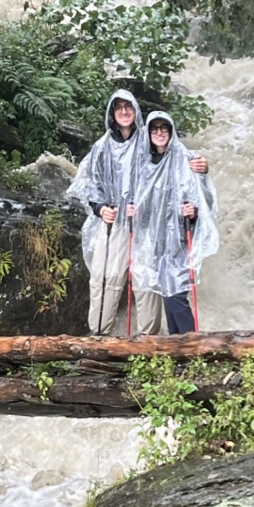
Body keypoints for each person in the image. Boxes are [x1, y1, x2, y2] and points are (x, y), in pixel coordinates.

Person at [67, 90, 163, 334]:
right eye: (118, 107)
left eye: (128, 106)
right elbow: (87, 181)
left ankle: (148, 340)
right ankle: (99, 334)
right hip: (112, 223)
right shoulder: (102, 146)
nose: (123, 111)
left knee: (146, 280)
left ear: (135, 110)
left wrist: (144, 204)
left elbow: (166, 173)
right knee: (104, 277)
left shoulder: (148, 141)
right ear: (112, 112)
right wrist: (100, 209)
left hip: (145, 223)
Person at [129, 110, 219, 333]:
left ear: (171, 131)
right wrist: (134, 211)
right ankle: (177, 346)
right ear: (148, 133)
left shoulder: (188, 159)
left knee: (176, 295)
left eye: (164, 128)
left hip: (180, 236)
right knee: (168, 294)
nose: (159, 133)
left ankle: (190, 344)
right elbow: (143, 200)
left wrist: (194, 210)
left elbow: (205, 196)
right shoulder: (146, 164)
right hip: (157, 240)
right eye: (154, 129)